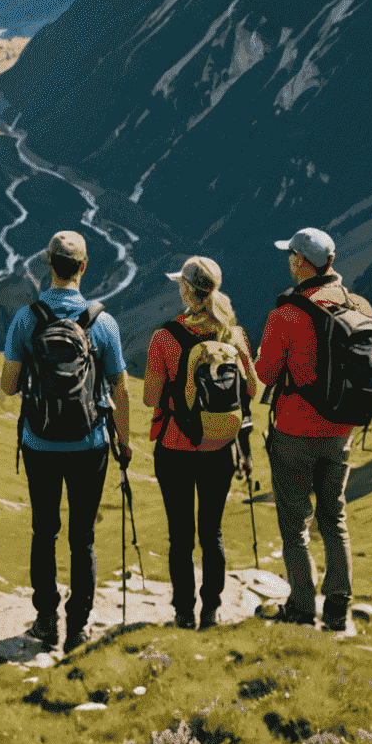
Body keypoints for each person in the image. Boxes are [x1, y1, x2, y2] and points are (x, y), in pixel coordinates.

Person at [0, 230, 130, 654]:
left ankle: (46, 620)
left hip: (39, 442)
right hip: (90, 442)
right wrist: (123, 443)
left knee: (44, 531)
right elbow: (121, 389)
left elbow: (7, 386)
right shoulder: (101, 322)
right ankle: (78, 627)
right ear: (84, 266)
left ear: (47, 263)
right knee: (83, 536)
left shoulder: (26, 319)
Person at [256, 227, 372, 634]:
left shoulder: (286, 314)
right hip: (341, 431)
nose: (288, 262)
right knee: (333, 517)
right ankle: (339, 608)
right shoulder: (359, 306)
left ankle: (303, 606)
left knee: (295, 523)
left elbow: (265, 373)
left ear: (300, 262)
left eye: (290, 256)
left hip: (293, 431)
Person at [142, 256, 259, 630]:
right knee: (212, 532)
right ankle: (211, 609)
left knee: (181, 535)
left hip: (176, 447)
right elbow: (252, 389)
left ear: (187, 290)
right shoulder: (234, 335)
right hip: (219, 447)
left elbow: (149, 397)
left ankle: (183, 612)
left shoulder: (165, 337)